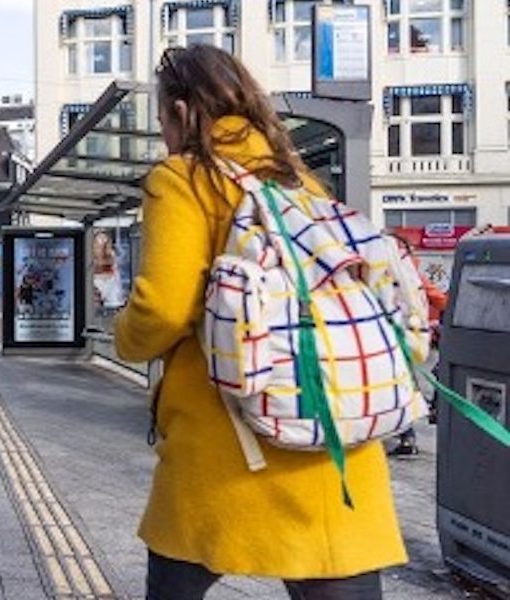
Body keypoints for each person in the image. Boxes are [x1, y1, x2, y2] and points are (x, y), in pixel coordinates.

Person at [114, 45, 405, 599]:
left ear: (181, 112)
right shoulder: (298, 180)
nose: (163, 137)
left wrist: (123, 335)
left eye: (162, 122)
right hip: (333, 440)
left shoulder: (184, 180)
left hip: (228, 445)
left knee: (178, 575)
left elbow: (162, 309)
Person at [387, 233, 449, 457]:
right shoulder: (414, 275)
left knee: (402, 385)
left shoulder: (399, 273)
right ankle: (406, 434)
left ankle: (407, 436)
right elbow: (441, 300)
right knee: (405, 383)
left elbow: (441, 300)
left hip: (398, 338)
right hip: (411, 338)